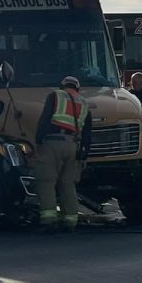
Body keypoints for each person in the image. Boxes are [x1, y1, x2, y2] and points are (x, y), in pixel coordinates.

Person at [33, 76, 93, 231]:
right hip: (73, 145)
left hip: (52, 142)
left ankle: (49, 219)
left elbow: (45, 118)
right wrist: (83, 154)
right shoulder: (84, 103)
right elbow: (87, 133)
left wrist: (38, 141)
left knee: (46, 181)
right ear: (77, 88)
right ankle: (70, 220)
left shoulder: (55, 96)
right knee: (68, 183)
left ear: (63, 86)